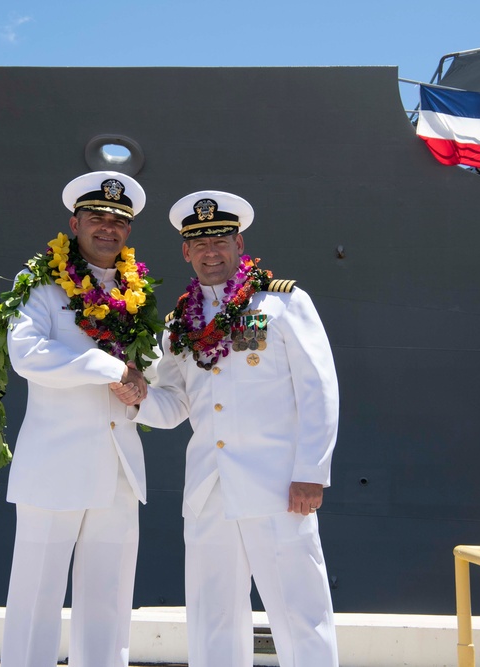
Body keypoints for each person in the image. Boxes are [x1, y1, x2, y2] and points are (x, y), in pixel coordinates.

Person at [115, 190, 340, 667]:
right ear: (185, 251)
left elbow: (319, 389)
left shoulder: (282, 303)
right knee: (211, 614)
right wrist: (138, 400)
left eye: (220, 240)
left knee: (300, 610)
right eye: (199, 244)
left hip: (279, 485)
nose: (210, 252)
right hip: (208, 489)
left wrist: (312, 472)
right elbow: (175, 404)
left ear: (239, 243)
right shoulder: (178, 326)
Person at [0, 171, 158, 667]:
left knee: (110, 600)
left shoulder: (139, 296)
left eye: (117, 221)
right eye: (96, 218)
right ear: (74, 223)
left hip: (117, 469)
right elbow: (26, 354)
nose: (107, 228)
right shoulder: (42, 290)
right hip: (55, 467)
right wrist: (112, 367)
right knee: (36, 596)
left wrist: (146, 387)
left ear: (127, 232)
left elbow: (149, 369)